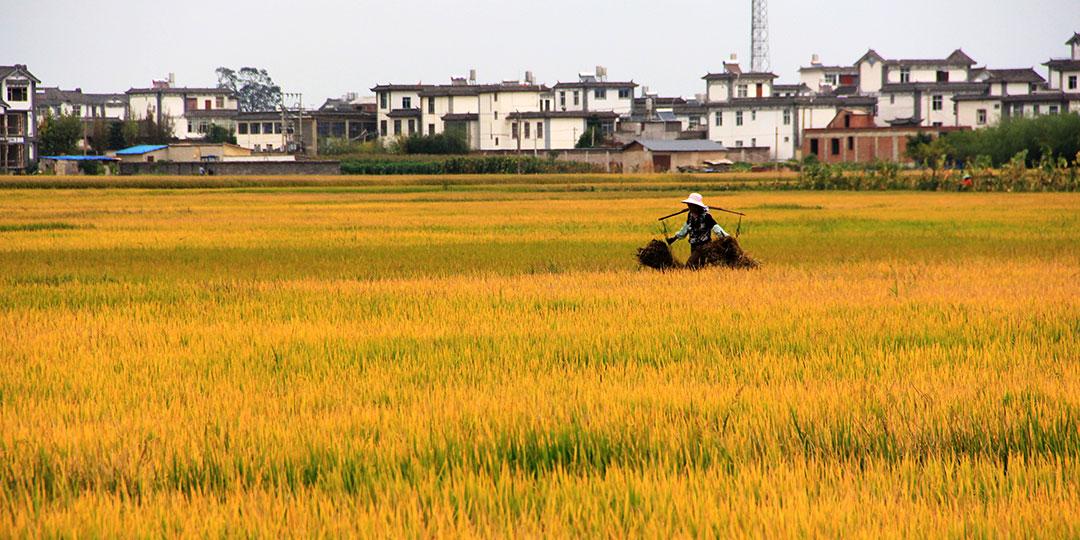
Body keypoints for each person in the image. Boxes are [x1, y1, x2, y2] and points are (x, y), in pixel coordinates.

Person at [666, 193, 730, 268]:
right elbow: (685, 228)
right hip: (693, 245)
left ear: (697, 206)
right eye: (689, 205)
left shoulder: (706, 217)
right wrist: (674, 238)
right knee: (698, 267)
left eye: (691, 205)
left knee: (690, 265)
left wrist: (727, 238)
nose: (689, 207)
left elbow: (716, 228)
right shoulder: (690, 215)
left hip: (703, 246)